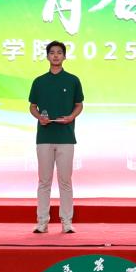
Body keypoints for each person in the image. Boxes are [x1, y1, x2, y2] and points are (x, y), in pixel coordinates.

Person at [27, 40, 83, 234]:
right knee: (44, 181)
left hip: (66, 137)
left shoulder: (73, 80)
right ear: (47, 56)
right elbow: (32, 106)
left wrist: (71, 117)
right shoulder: (39, 81)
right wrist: (39, 117)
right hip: (44, 137)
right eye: (52, 52)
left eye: (59, 52)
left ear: (64, 56)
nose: (56, 55)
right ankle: (42, 222)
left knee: (65, 181)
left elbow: (79, 105)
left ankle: (66, 222)